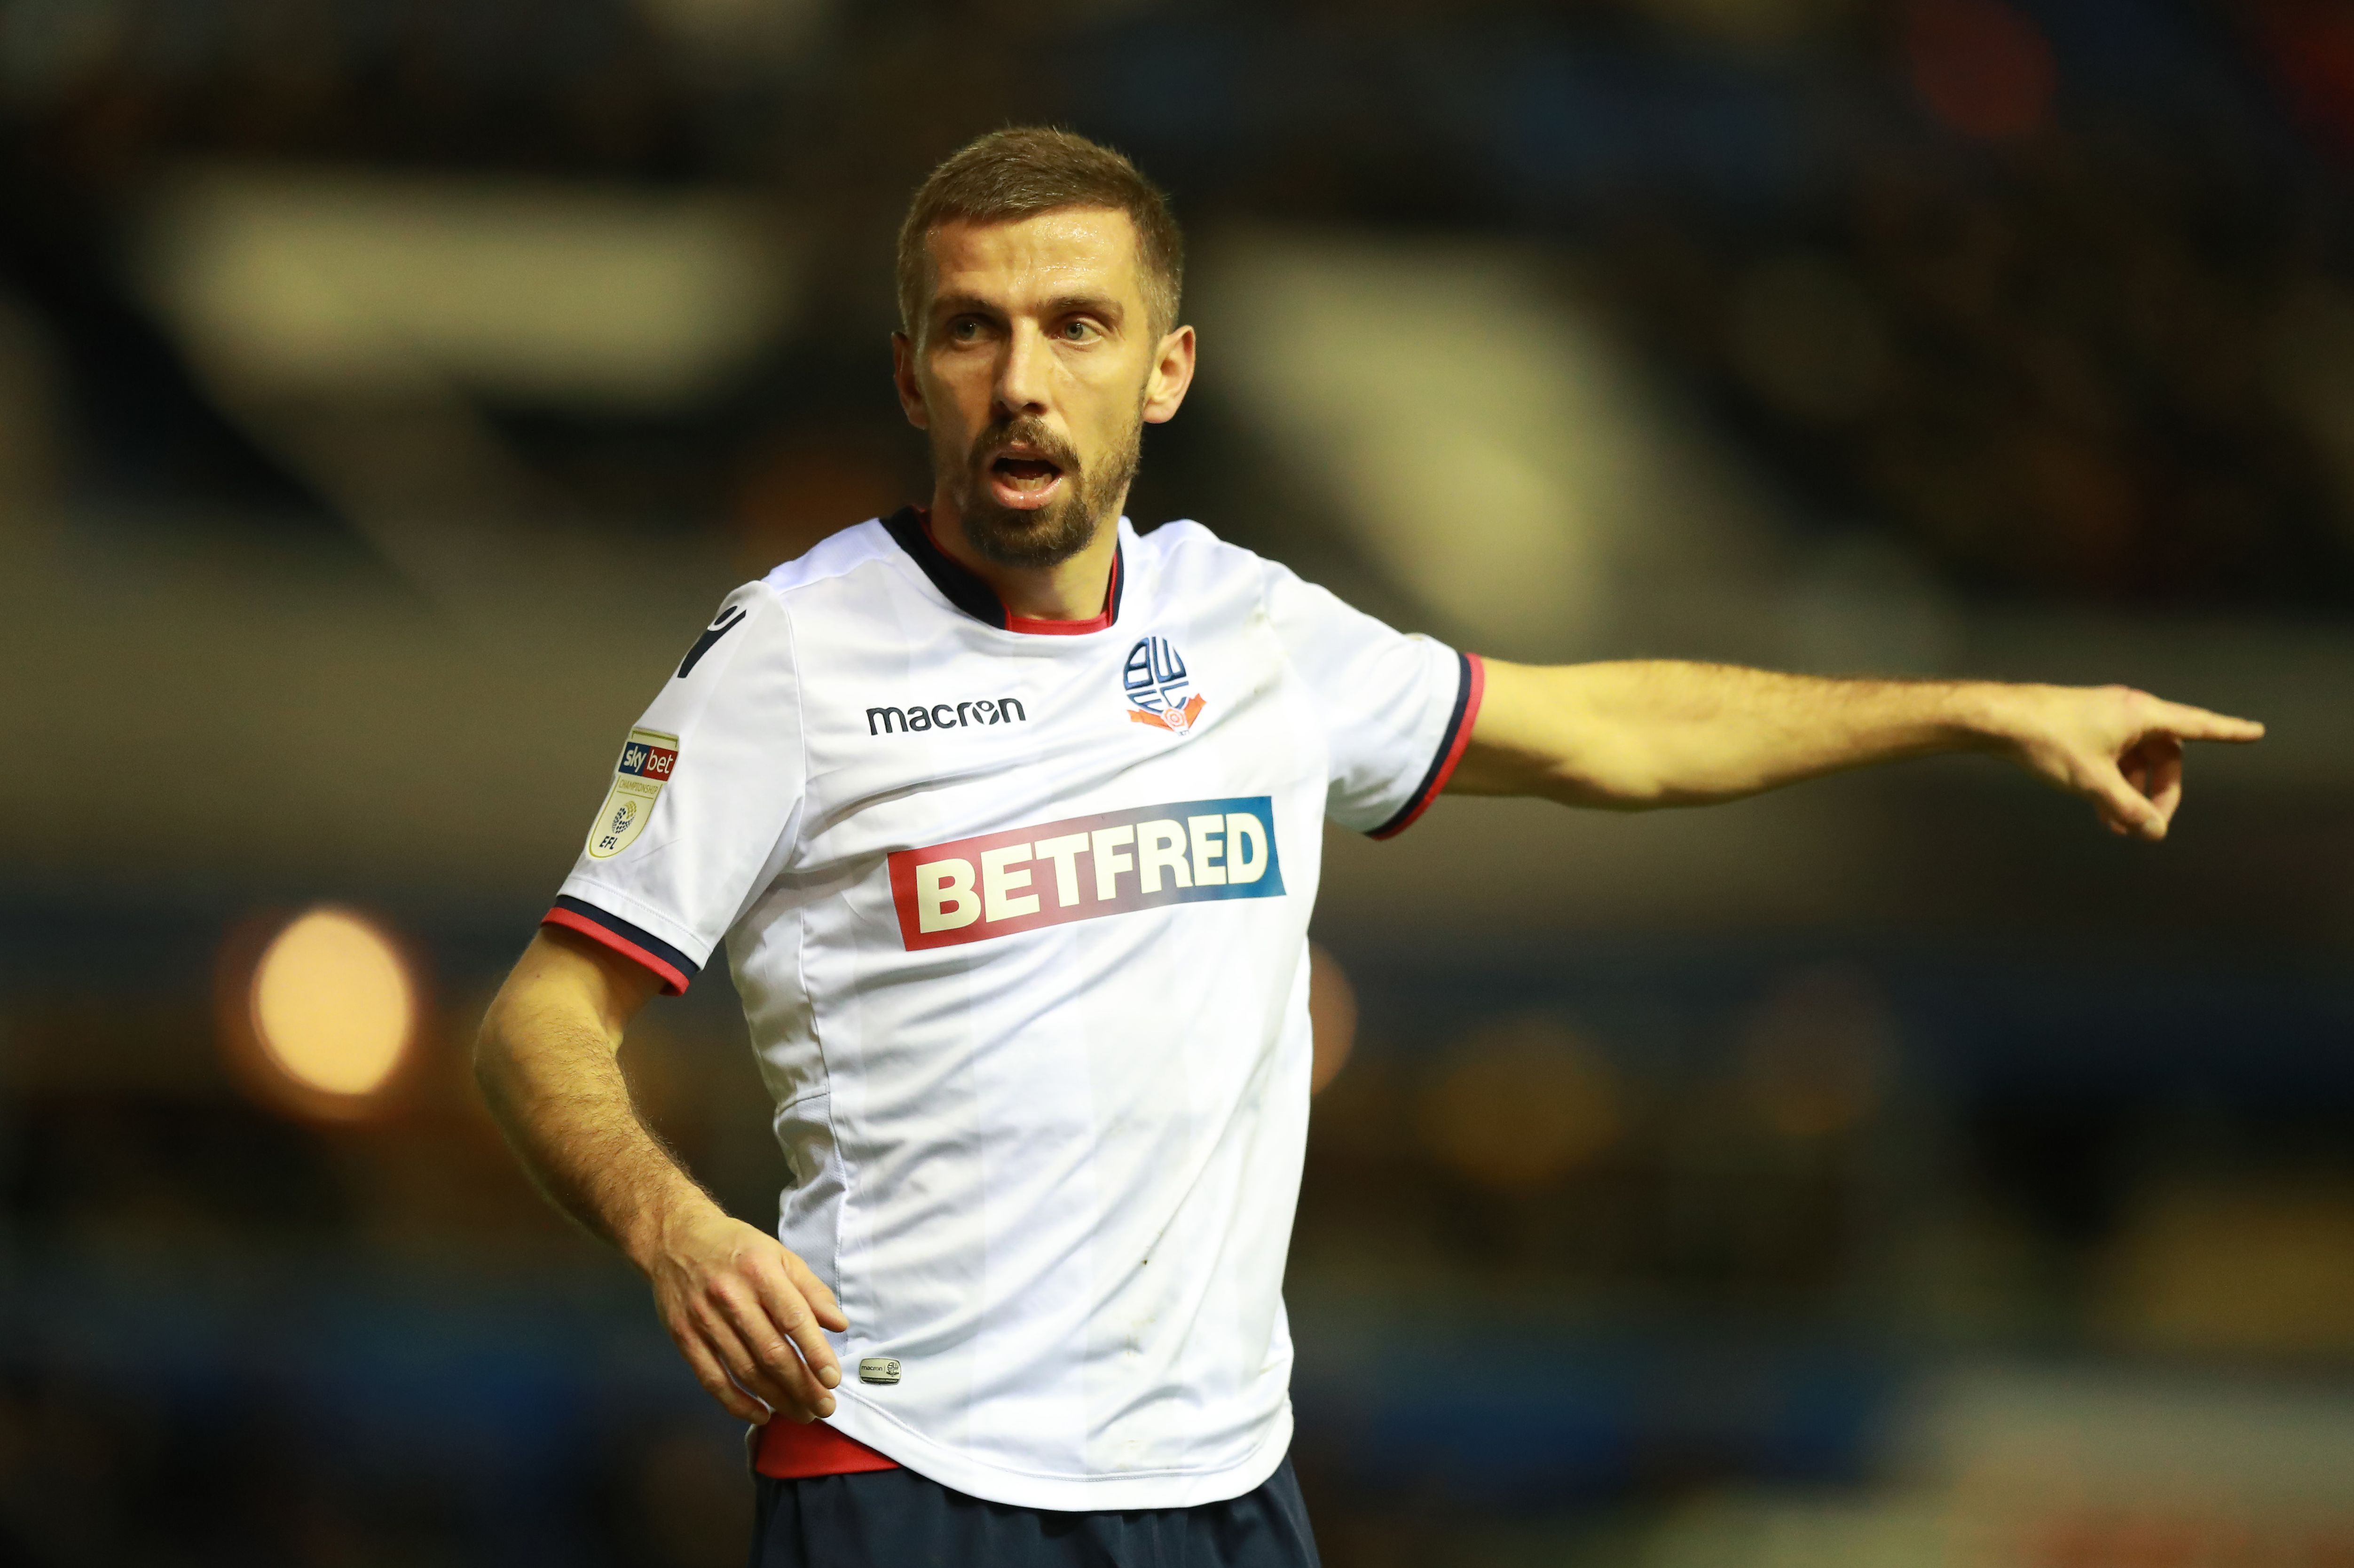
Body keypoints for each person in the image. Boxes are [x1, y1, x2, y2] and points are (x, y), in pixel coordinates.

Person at [473, 127, 2263, 1568]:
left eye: (1078, 327)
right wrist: (676, 1226)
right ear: (910, 373)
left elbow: (1619, 733)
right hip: (908, 1470)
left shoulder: (1251, 629)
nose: (1023, 380)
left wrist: (1982, 708)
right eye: (972, 330)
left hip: (1220, 1487)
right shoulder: (793, 652)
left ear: (1166, 370)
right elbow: (539, 1022)